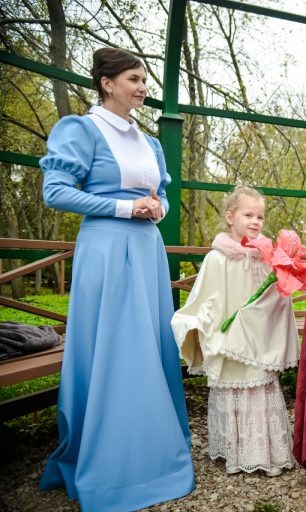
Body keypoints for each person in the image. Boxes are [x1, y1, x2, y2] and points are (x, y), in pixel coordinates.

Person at [38, 48, 195, 510]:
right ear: (107, 83)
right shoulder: (81, 129)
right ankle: (109, 459)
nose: (143, 86)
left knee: (149, 346)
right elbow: (55, 191)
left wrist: (157, 207)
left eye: (144, 78)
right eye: (134, 78)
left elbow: (161, 192)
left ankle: (153, 444)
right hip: (106, 250)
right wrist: (125, 207)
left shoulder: (149, 141)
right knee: (115, 350)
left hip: (147, 251)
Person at [171, 187, 299, 476]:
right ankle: (235, 452)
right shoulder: (218, 259)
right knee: (236, 384)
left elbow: (277, 294)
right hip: (230, 342)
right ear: (230, 217)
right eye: (248, 215)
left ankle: (265, 453)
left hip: (258, 340)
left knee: (258, 383)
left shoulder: (266, 258)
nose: (255, 221)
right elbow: (207, 297)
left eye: (260, 216)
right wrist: (207, 325)